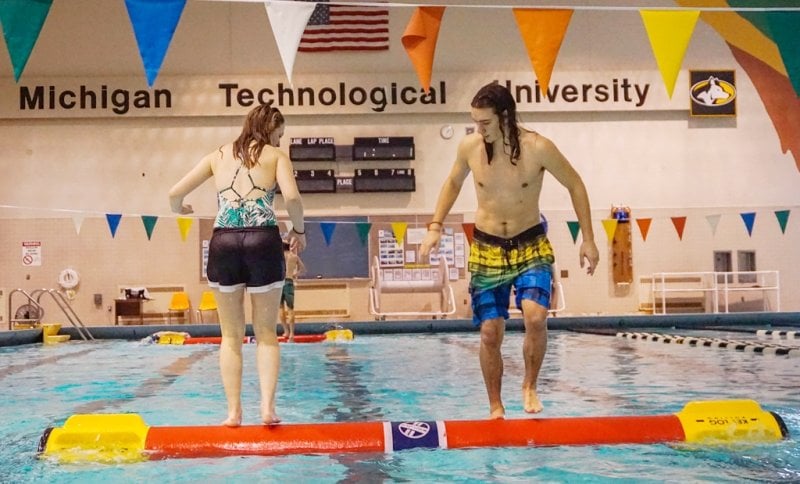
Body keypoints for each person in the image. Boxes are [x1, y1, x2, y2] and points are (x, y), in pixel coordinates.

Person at [420, 82, 599, 419]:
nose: (479, 129)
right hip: (487, 246)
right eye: (475, 122)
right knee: (490, 332)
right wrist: (435, 227)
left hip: (530, 242)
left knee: (536, 316)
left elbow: (575, 184)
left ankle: (530, 385)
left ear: (504, 116)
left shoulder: (539, 147)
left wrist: (588, 238)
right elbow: (453, 183)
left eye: (484, 122)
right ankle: (495, 405)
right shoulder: (470, 147)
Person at [169, 103, 305, 426]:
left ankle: (233, 413)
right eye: (279, 135)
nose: (280, 142)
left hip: (224, 242)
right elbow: (294, 199)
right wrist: (299, 231)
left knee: (230, 336)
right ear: (269, 130)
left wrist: (181, 209)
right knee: (266, 334)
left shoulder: (217, 156)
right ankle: (268, 409)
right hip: (263, 241)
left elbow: (174, 193)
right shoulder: (275, 157)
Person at [280, 240, 306, 342]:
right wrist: (295, 274)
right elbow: (303, 269)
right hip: (289, 282)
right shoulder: (294, 257)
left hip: (279, 283)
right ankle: (291, 334)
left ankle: (285, 331)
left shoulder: (279, 257)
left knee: (280, 308)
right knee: (290, 309)